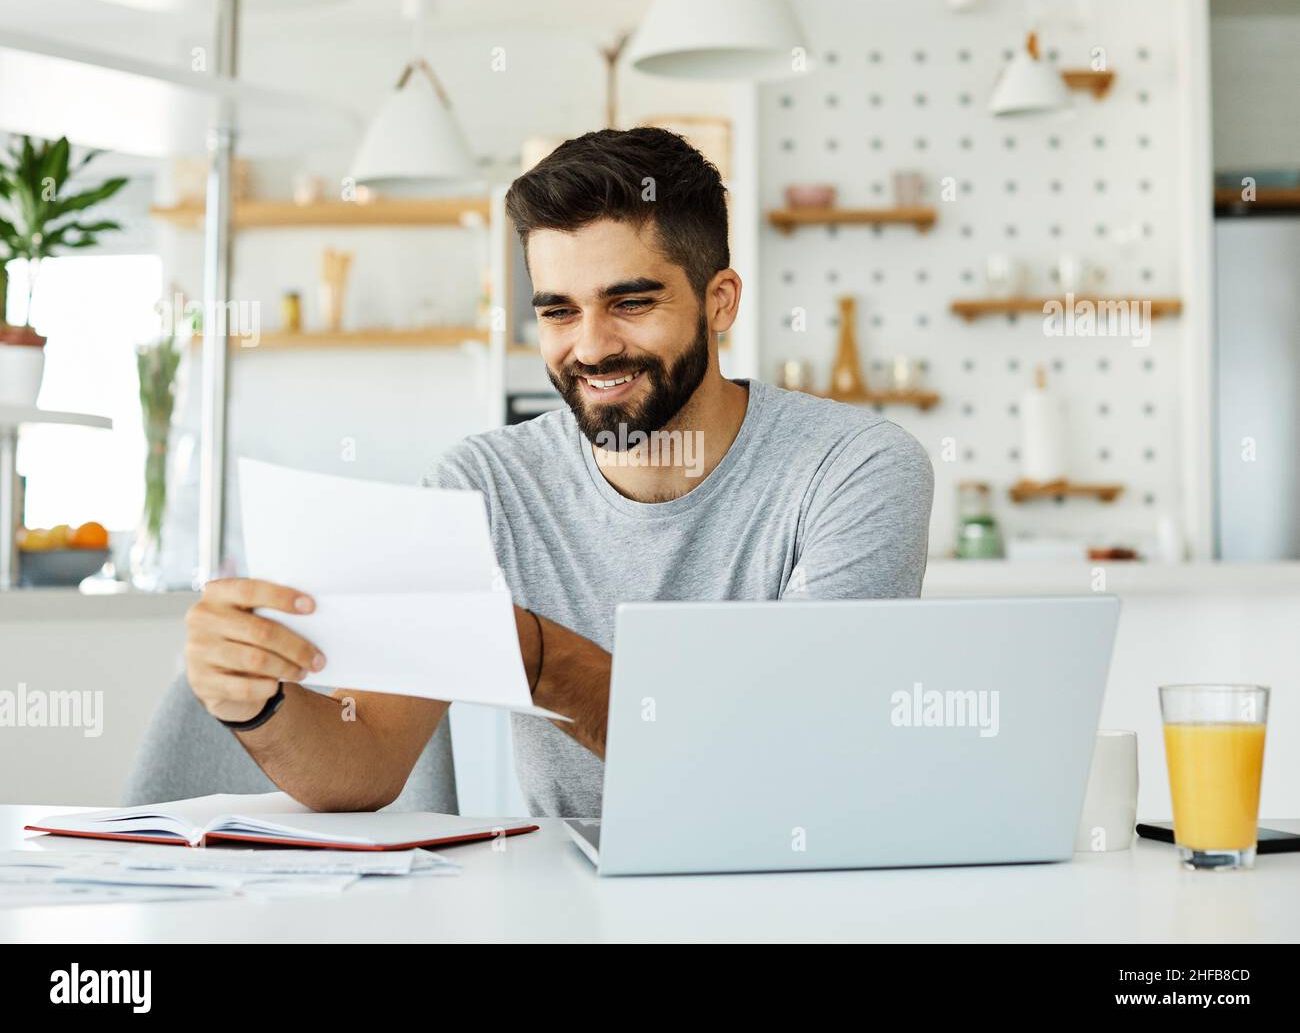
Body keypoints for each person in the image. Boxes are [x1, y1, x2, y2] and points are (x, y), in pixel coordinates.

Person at [184, 127, 934, 817]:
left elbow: (789, 769)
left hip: (790, 893)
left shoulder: (855, 471)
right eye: (558, 312)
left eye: (630, 303)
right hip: (563, 904)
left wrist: (535, 656)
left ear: (720, 303)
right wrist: (254, 698)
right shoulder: (484, 486)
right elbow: (366, 767)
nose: (592, 347)